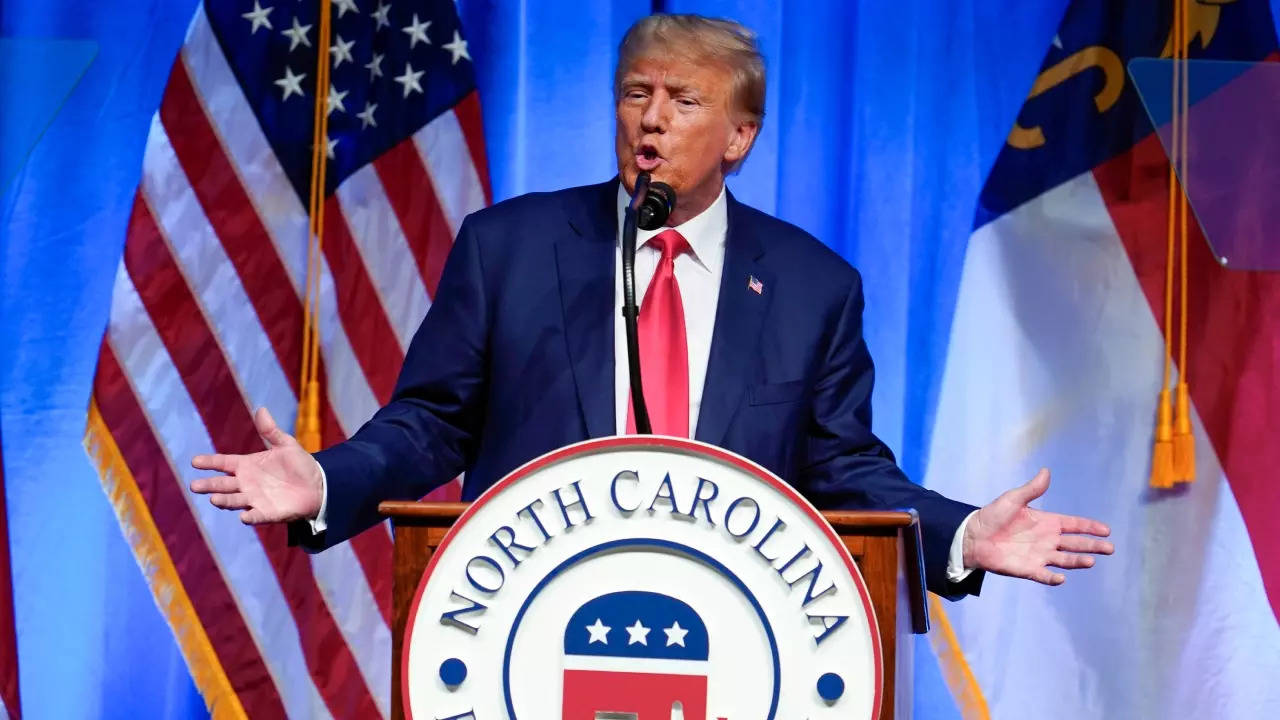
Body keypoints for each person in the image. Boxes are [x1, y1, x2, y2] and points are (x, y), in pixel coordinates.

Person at [191, 14, 1112, 597]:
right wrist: (329, 480)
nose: (652, 119)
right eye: (637, 94)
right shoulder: (509, 249)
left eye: (684, 99)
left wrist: (960, 533)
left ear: (741, 135)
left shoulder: (811, 287)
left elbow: (846, 474)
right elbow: (430, 426)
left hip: (737, 631)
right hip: (532, 615)